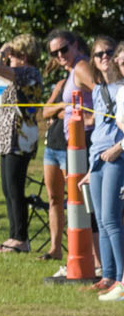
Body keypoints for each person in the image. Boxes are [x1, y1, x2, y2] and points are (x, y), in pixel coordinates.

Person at [38, 29, 95, 261]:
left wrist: (94, 119)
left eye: (64, 49)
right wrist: (65, 110)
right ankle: (62, 249)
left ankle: (88, 255)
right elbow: (45, 111)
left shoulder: (81, 67)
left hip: (84, 141)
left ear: (75, 45)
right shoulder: (69, 74)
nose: (60, 55)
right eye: (55, 52)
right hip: (67, 142)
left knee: (80, 200)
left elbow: (104, 93)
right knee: (61, 198)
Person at [0, 35, 44, 253]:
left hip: (19, 139)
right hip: (8, 138)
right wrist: (4, 56)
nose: (8, 58)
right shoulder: (18, 75)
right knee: (7, 188)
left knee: (14, 188)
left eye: (13, 55)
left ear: (23, 56)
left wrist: (2, 50)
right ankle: (14, 236)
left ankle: (21, 238)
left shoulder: (28, 73)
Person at [79, 36, 124, 297]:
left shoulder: (122, 88)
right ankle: (108, 275)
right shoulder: (97, 90)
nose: (104, 57)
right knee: (101, 219)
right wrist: (89, 169)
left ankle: (121, 278)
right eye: (98, 54)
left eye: (108, 52)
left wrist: (117, 149)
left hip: (117, 156)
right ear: (93, 61)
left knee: (111, 217)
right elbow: (98, 128)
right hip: (97, 157)